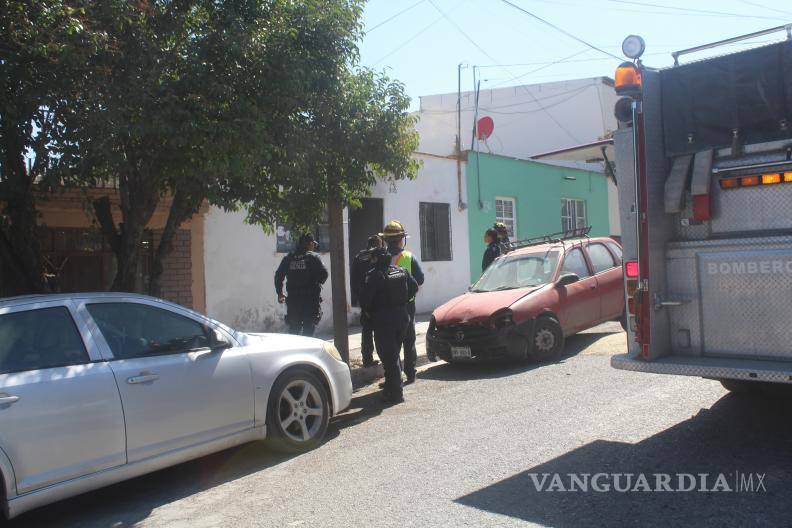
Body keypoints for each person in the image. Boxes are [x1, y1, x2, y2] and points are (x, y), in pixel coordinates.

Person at [359, 246, 418, 403]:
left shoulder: (374, 275)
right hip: (402, 318)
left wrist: (369, 312)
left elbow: (366, 300)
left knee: (389, 357)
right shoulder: (400, 270)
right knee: (393, 355)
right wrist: (402, 302)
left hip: (384, 321)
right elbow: (414, 287)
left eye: (372, 258)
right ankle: (390, 387)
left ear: (376, 259)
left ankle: (396, 393)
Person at [379, 220, 430, 374]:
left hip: (385, 308)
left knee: (391, 343)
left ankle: (394, 375)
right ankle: (409, 372)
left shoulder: (380, 258)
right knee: (409, 340)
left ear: (386, 240)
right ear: (402, 240)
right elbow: (420, 279)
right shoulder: (408, 257)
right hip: (407, 306)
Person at [274, 233, 328, 336]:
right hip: (310, 301)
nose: (313, 247)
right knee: (308, 330)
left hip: (294, 301)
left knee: (294, 330)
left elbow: (278, 276)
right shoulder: (313, 258)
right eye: (313, 244)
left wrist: (280, 293)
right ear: (310, 244)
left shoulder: (288, 258)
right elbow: (324, 275)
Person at [351, 235, 383, 368]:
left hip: (364, 299)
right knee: (381, 330)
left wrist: (359, 298)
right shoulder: (379, 255)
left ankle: (367, 358)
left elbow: (353, 280)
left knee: (367, 330)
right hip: (378, 299)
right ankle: (383, 356)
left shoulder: (359, 257)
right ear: (378, 244)